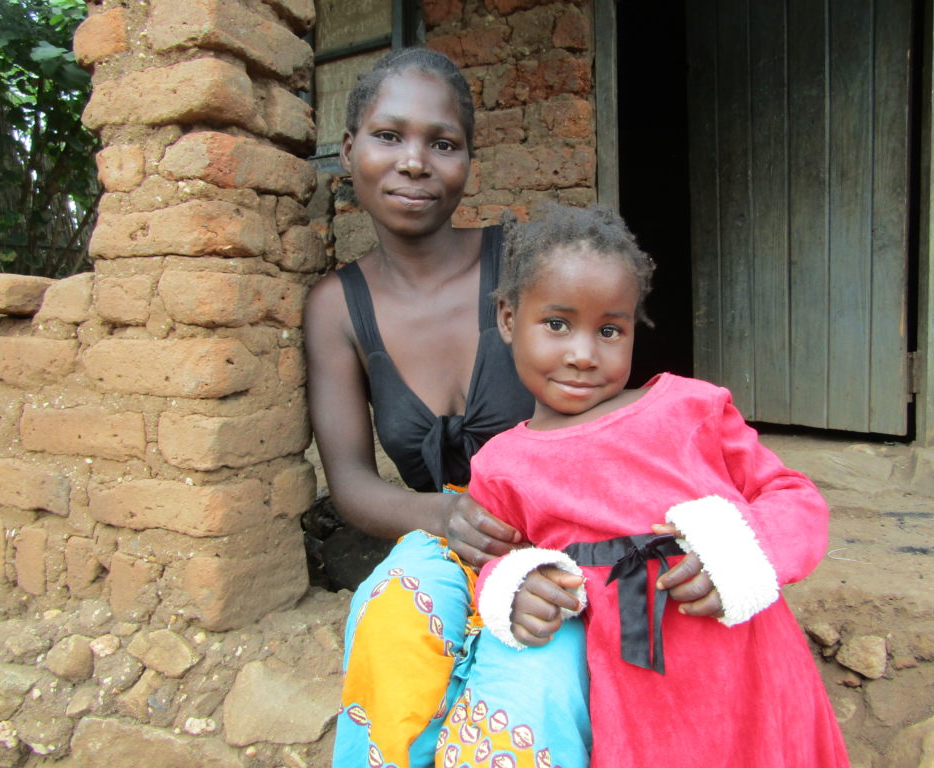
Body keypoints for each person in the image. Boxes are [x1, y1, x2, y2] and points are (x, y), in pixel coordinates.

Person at [452, 204, 851, 767]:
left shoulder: (691, 407)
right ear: (507, 317)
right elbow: (497, 560)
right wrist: (515, 586)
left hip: (753, 669)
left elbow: (792, 497)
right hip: (643, 702)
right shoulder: (501, 465)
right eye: (557, 324)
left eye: (610, 330)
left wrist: (745, 554)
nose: (583, 355)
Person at [303, 49, 594, 767]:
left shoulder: (528, 262)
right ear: (348, 151)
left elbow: (607, 417)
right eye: (388, 136)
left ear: (467, 158)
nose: (414, 162)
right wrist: (443, 516)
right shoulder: (337, 307)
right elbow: (350, 481)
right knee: (392, 633)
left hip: (560, 542)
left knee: (530, 697)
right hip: (438, 543)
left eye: (442, 143)